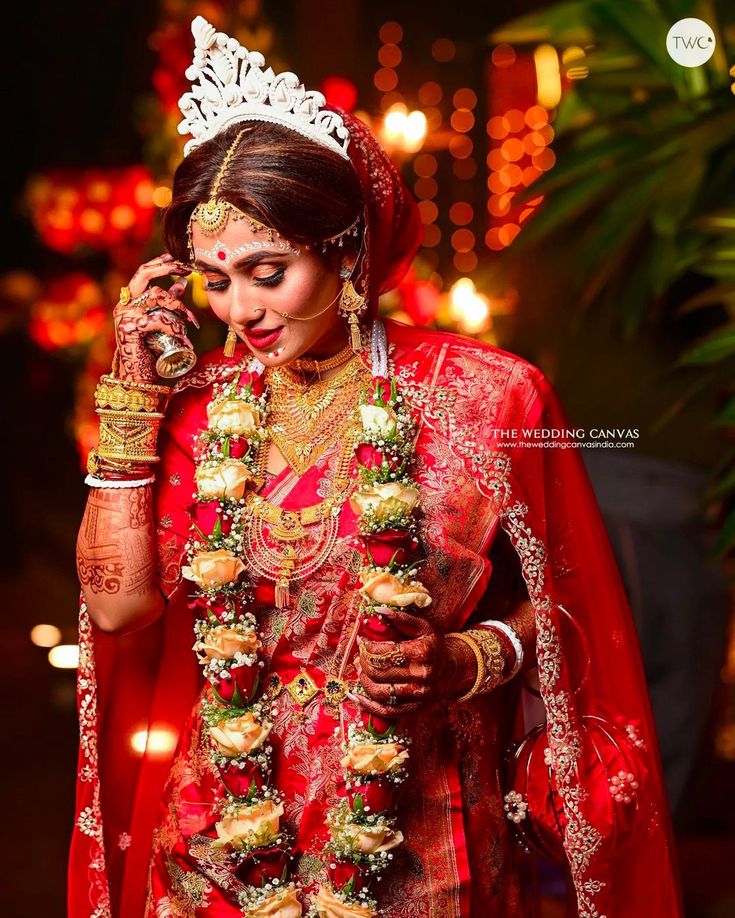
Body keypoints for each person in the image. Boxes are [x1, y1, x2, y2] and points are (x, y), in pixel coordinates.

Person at [69, 16, 683, 918]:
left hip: (422, 843)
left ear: (345, 247)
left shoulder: (487, 397)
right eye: (213, 279)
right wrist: (128, 410)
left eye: (267, 273)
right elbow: (120, 606)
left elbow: (565, 614)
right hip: (218, 845)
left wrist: (469, 657)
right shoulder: (195, 405)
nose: (239, 310)